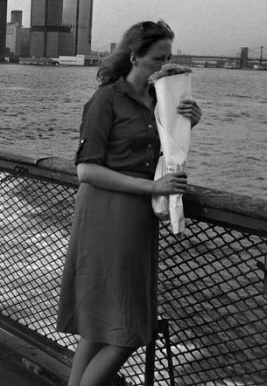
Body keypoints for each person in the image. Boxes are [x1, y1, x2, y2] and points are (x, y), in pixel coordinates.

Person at [56, 20, 201, 386]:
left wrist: (188, 124)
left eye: (169, 58)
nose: (163, 66)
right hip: (106, 217)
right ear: (135, 55)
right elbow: (86, 170)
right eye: (157, 58)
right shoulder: (106, 99)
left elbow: (160, 152)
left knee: (99, 326)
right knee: (132, 330)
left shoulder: (158, 101)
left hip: (138, 219)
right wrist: (152, 189)